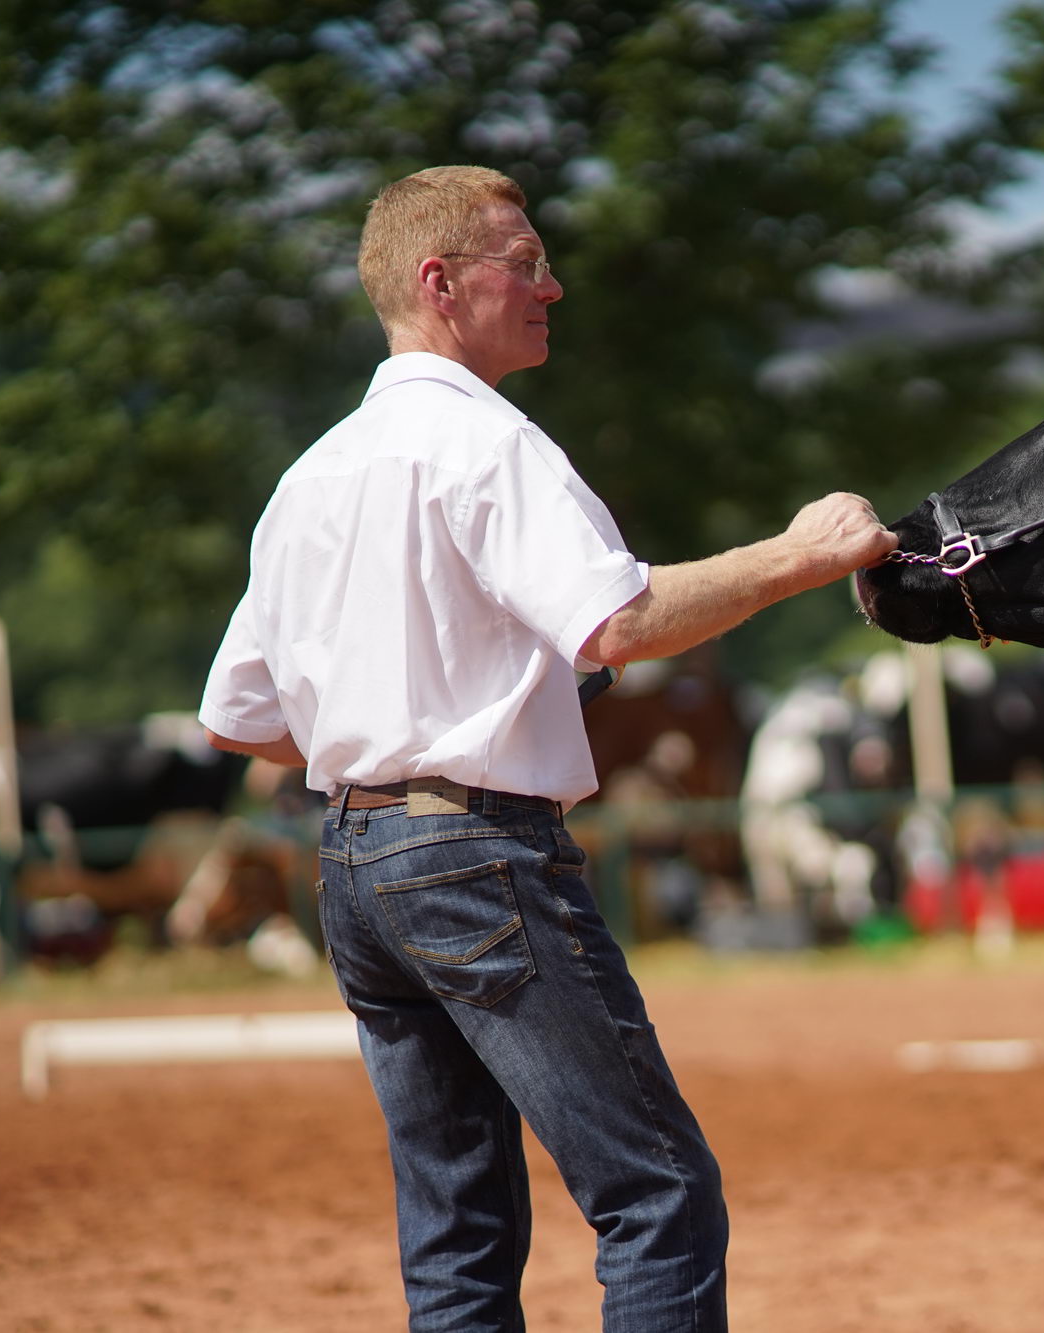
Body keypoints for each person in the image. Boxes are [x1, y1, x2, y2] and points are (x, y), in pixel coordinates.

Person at [198, 164, 896, 1331]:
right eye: (522, 264)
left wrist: (395, 717)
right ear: (440, 281)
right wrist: (799, 554)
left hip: (357, 864)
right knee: (655, 1194)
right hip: (476, 855)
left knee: (456, 1232)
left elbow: (237, 719)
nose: (552, 286)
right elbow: (616, 620)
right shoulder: (486, 442)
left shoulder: (308, 477)